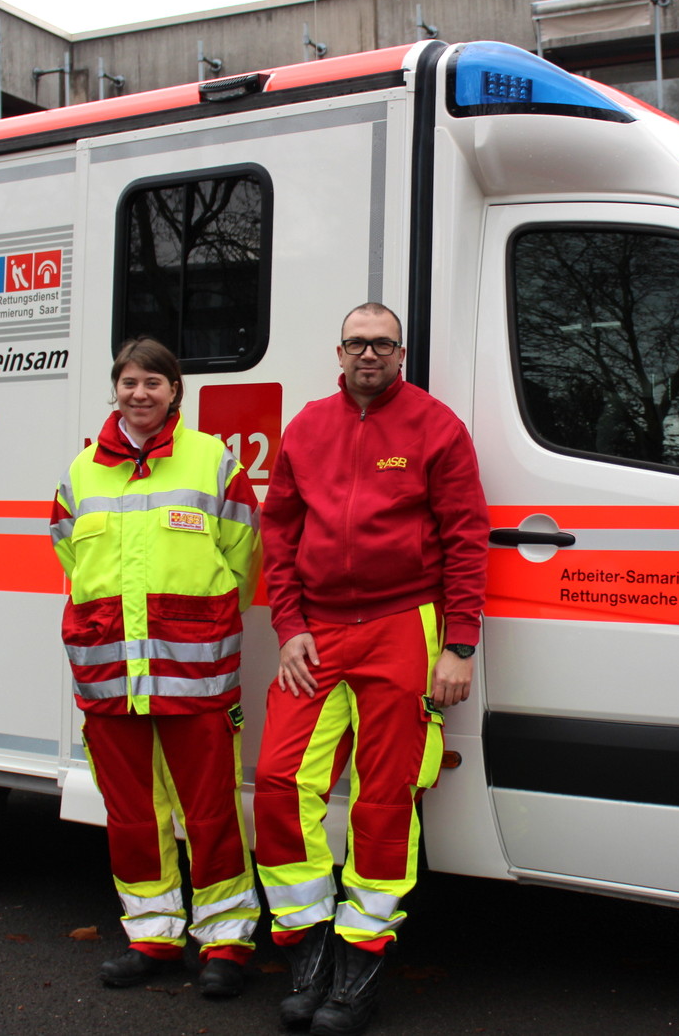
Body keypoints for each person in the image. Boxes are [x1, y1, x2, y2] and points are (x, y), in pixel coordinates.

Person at [255, 303, 490, 1035]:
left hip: (402, 623)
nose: (368, 354)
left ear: (400, 352)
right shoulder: (308, 427)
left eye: (381, 344)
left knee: (386, 797)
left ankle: (359, 969)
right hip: (318, 631)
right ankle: (309, 949)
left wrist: (459, 644)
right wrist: (288, 626)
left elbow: (466, 538)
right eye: (357, 342)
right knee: (277, 778)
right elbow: (280, 533)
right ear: (340, 349)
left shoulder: (437, 426)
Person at [50, 336, 260, 998]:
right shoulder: (81, 471)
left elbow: (245, 557)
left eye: (154, 383)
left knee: (211, 812)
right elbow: (68, 558)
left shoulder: (211, 461)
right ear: (116, 388)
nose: (140, 393)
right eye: (130, 381)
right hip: (110, 679)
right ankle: (154, 936)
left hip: (195, 677)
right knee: (133, 816)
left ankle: (225, 942)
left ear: (176, 391)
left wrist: (203, 626)